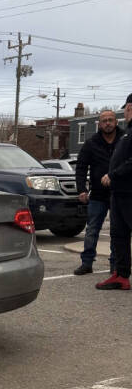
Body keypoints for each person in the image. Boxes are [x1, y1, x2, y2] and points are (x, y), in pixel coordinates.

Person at [73, 109, 122, 274]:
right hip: (98, 194)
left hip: (119, 194)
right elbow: (81, 167)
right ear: (99, 124)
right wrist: (82, 189)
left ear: (116, 122)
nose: (108, 123)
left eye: (110, 120)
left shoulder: (125, 140)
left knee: (117, 231)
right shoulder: (91, 143)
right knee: (92, 229)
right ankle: (87, 263)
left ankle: (115, 264)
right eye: (104, 120)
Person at [96, 93, 132, 290]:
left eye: (126, 108)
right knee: (119, 235)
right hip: (118, 194)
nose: (125, 112)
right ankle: (121, 275)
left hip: (129, 193)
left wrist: (113, 174)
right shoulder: (127, 132)